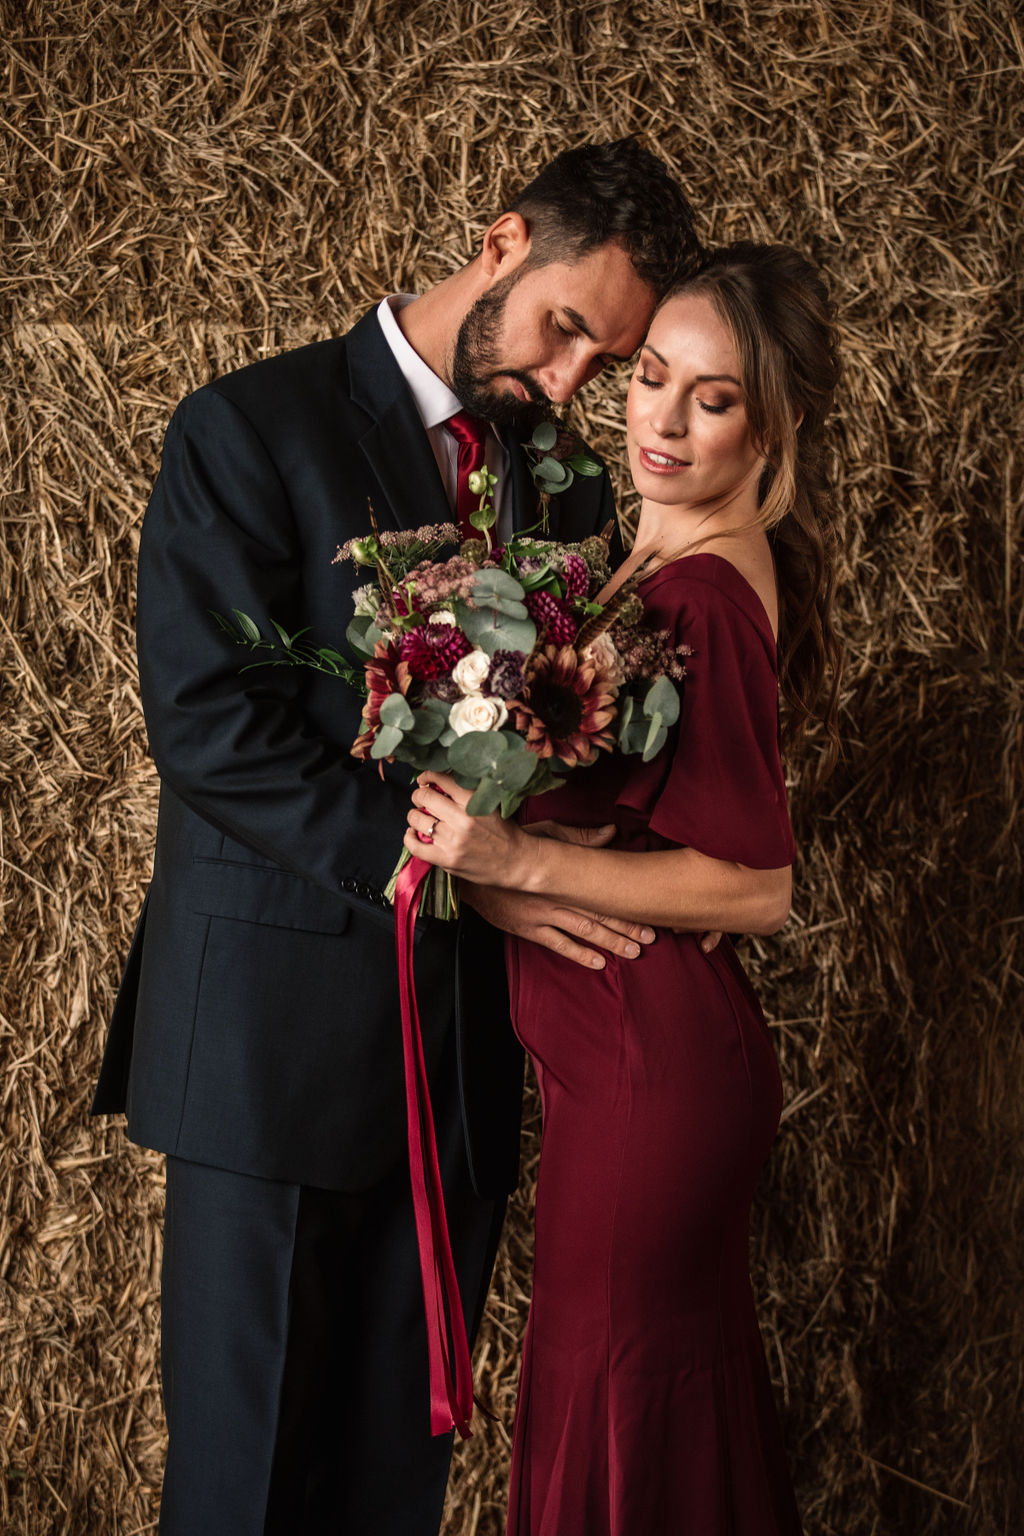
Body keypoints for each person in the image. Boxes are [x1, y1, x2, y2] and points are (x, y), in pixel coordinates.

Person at [91, 139, 703, 1534]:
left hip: (460, 1061)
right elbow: (208, 730)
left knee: (390, 1495)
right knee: (247, 1493)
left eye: (600, 366)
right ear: (500, 243)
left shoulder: (566, 491)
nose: (566, 388)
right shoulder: (249, 427)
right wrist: (455, 871)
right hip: (271, 1049)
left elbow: (558, 745)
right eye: (563, 333)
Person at [406, 241, 842, 1534]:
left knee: (620, 1415)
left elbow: (761, 886)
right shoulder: (645, 570)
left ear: (774, 428)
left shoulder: (705, 590)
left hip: (654, 1081)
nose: (661, 415)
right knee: (640, 1413)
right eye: (652, 376)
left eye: (711, 399)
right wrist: (487, 880)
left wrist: (517, 859)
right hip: (628, 1068)